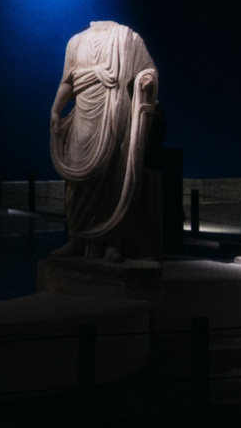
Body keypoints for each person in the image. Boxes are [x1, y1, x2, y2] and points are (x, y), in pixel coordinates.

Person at [49, 21, 159, 261]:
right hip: (83, 118)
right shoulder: (76, 42)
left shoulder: (128, 38)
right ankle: (77, 239)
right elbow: (67, 82)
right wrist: (56, 110)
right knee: (78, 180)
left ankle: (112, 242)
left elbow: (148, 70)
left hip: (114, 116)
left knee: (113, 176)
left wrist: (145, 81)